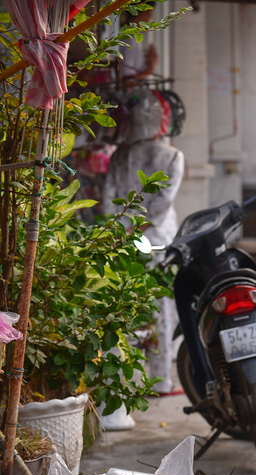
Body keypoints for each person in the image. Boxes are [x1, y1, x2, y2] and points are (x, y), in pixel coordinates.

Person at [102, 92, 184, 407]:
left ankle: (115, 380)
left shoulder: (119, 156)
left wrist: (124, 231)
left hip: (122, 240)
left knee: (121, 306)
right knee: (162, 306)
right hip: (159, 240)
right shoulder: (173, 156)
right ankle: (161, 378)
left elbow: (109, 198)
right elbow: (162, 205)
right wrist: (142, 228)